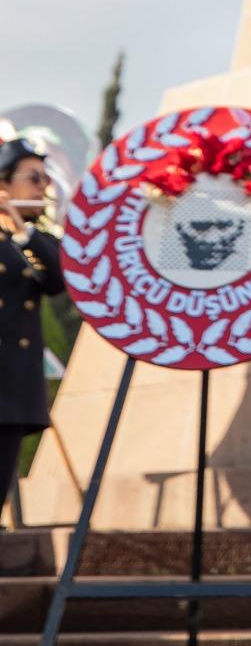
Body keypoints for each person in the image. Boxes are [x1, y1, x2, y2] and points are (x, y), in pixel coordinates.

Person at [0, 137, 65, 518]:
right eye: (33, 178)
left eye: (45, 179)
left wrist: (24, 230)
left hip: (13, 393)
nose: (43, 187)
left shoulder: (33, 241)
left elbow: (55, 281)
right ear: (4, 184)